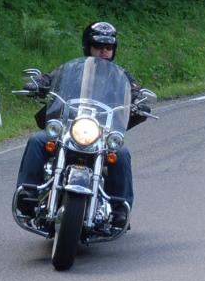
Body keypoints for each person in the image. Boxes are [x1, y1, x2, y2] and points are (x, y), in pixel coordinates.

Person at [15, 21, 148, 227]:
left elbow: (134, 91)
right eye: (98, 46)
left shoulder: (121, 76)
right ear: (88, 46)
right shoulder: (72, 68)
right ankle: (27, 194)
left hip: (101, 132)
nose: (103, 51)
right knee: (37, 140)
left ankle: (120, 208)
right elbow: (50, 78)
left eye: (108, 47)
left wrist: (140, 101)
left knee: (121, 154)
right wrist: (38, 84)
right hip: (69, 127)